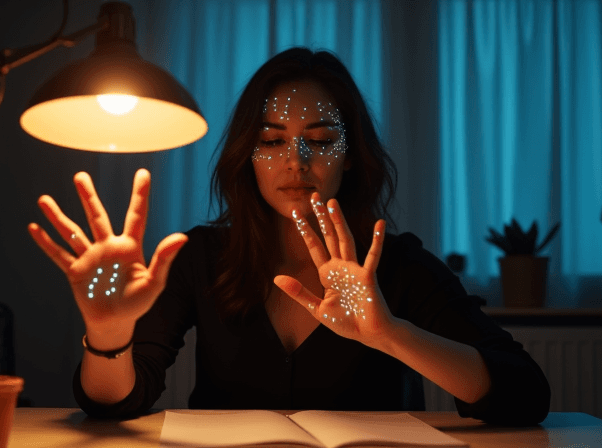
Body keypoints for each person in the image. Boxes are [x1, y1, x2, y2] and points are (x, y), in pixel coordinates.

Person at [28, 47, 550, 425]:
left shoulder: (398, 263)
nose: (296, 161)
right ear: (246, 159)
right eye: (272, 141)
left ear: (349, 157)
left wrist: (390, 333)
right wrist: (108, 334)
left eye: (320, 140)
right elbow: (114, 402)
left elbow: (525, 393)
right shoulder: (201, 257)